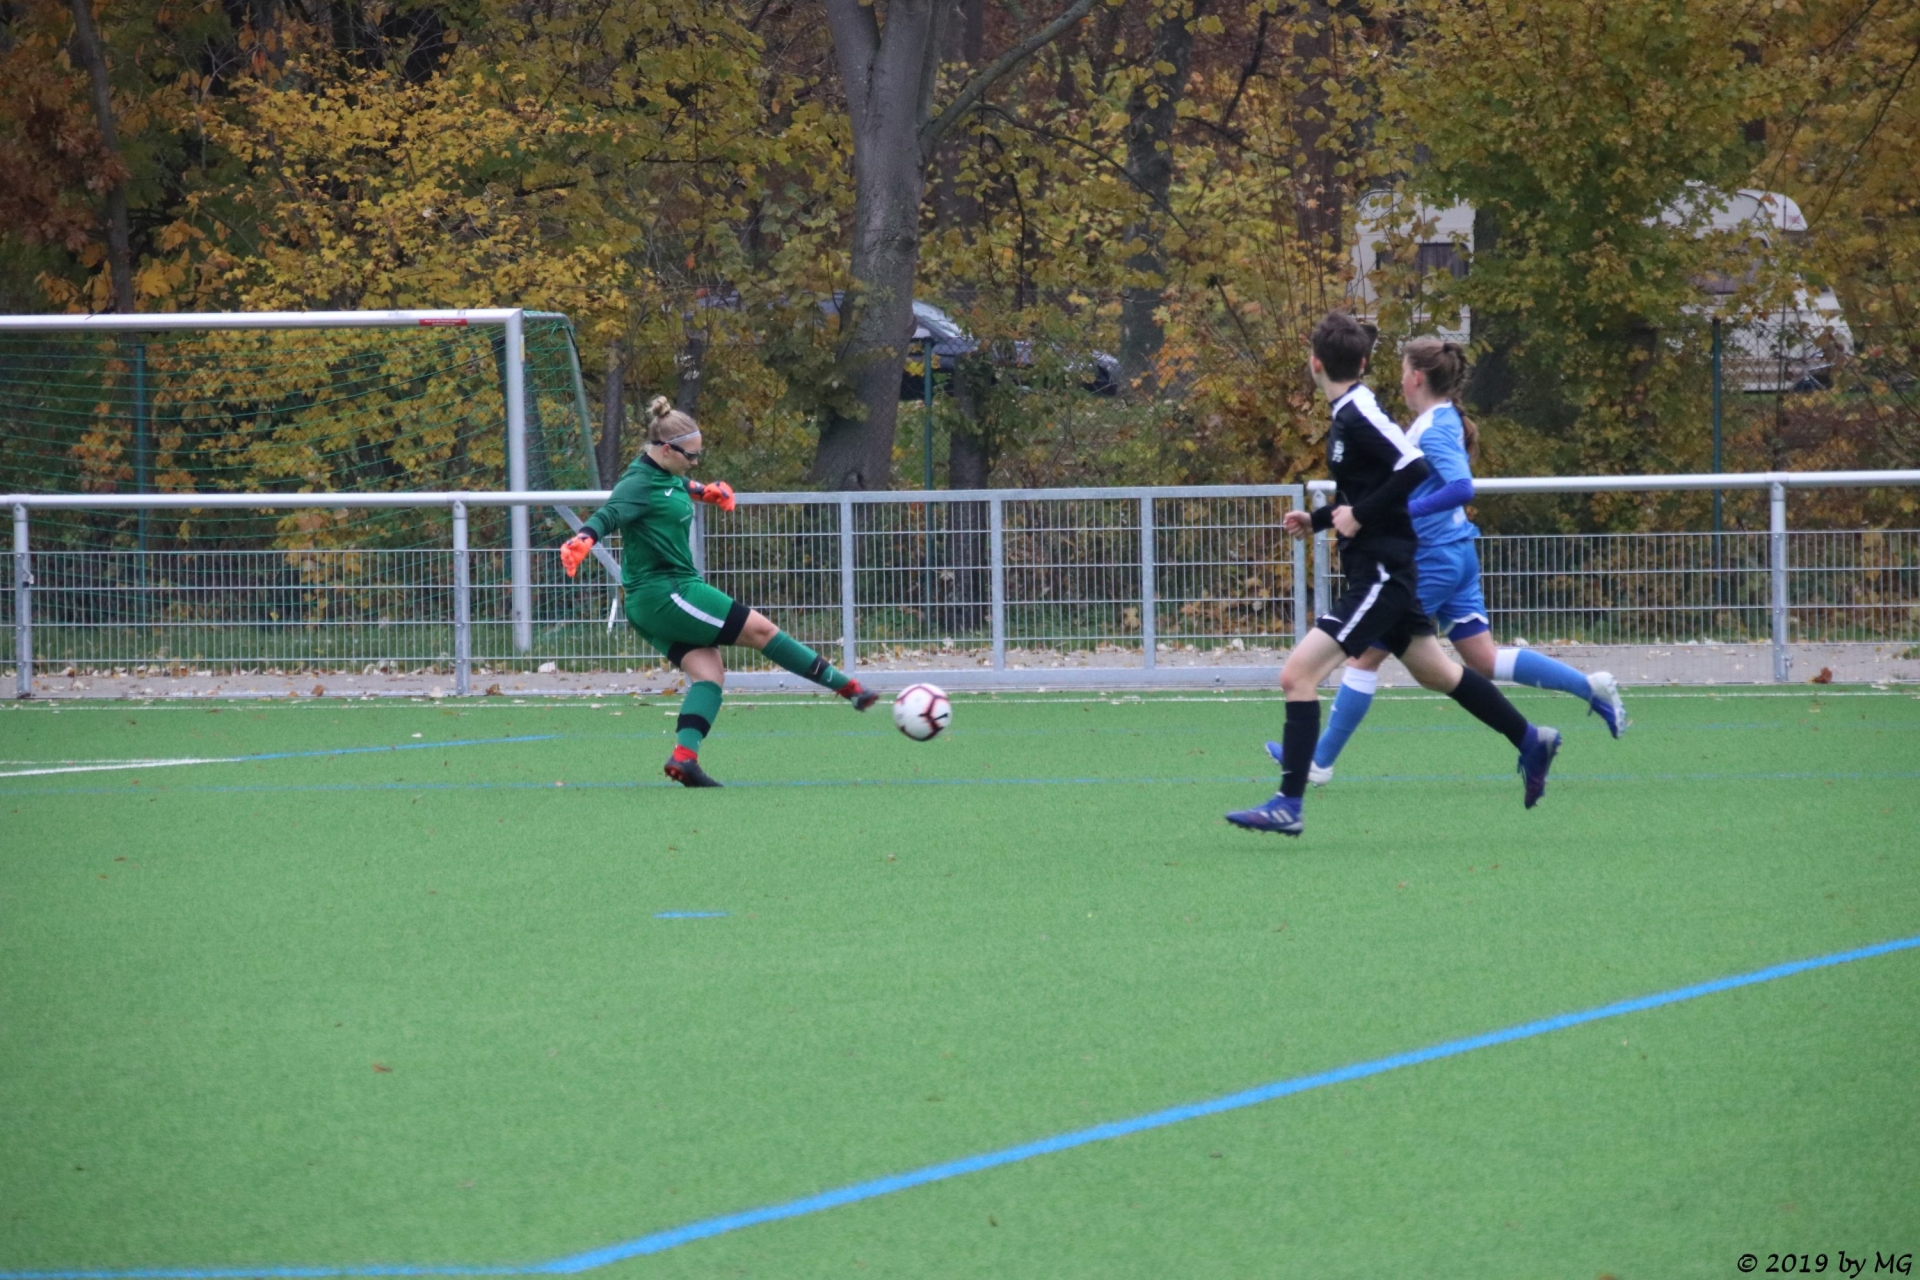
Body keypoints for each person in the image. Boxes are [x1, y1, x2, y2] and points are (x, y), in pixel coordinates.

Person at [1225, 314, 1561, 836]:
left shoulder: (1358, 410)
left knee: (1297, 676)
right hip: (1386, 570)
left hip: (1381, 573)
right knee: (1440, 674)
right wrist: (1319, 519)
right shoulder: (1347, 412)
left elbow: (1413, 468)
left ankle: (1288, 803)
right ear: (1362, 363)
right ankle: (1529, 738)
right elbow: (1368, 487)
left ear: (1314, 364)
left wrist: (1358, 516)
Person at [1306, 337, 1627, 786]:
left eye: (1403, 371)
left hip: (1434, 558)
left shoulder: (1434, 428)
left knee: (1363, 657)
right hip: (1455, 553)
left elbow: (1461, 487)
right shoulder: (1438, 420)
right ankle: (1589, 687)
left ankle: (1318, 762)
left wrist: (1400, 511)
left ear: (1416, 377)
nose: (1400, 379)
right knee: (1484, 660)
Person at [560, 397, 878, 787]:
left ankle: (685, 758)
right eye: (691, 456)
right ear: (666, 449)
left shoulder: (660, 474)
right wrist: (583, 539)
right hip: (668, 593)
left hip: (650, 602)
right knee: (762, 631)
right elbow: (609, 514)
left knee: (709, 674)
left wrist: (704, 491)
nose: (696, 462)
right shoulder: (637, 483)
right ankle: (849, 688)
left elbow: (677, 485)